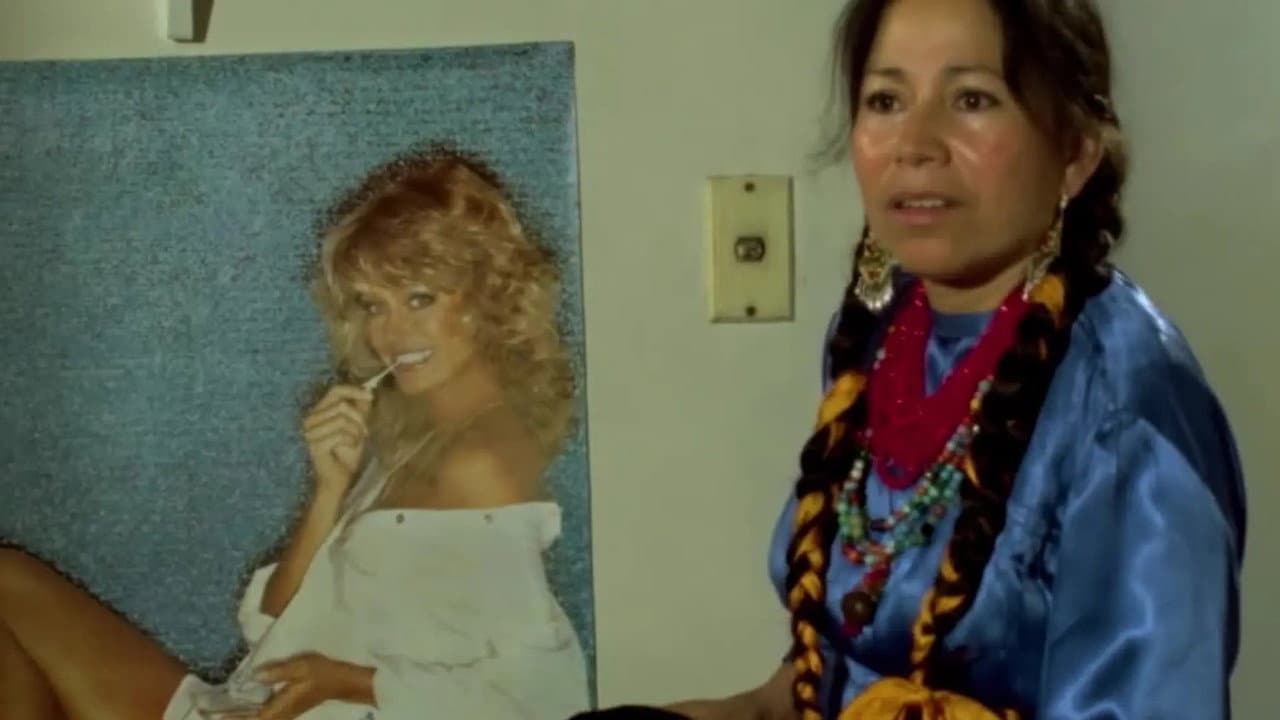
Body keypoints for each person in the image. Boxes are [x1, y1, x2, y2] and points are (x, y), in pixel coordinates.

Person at [580, 0, 1247, 718]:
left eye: (972, 100)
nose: (915, 144)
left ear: (1075, 154)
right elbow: (817, 688)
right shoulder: (880, 337)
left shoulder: (1126, 402)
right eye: (886, 101)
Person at [0, 147, 591, 720]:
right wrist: (329, 488)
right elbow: (275, 622)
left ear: (486, 298)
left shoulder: (480, 461)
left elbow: (539, 697)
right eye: (373, 305)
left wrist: (344, 682)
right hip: (255, 701)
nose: (391, 332)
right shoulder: (414, 439)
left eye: (419, 298)